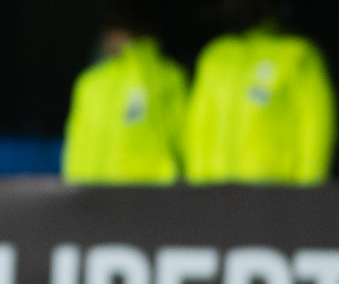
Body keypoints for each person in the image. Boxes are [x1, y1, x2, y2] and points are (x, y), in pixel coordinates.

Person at [184, 15, 335, 186]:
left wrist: (309, 190)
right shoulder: (217, 55)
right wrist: (197, 185)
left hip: (277, 189)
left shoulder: (297, 53)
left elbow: (315, 123)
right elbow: (200, 123)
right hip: (216, 188)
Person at [62, 13, 188, 185]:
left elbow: (77, 149)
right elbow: (183, 140)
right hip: (154, 192)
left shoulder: (90, 82)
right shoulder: (168, 76)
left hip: (100, 194)